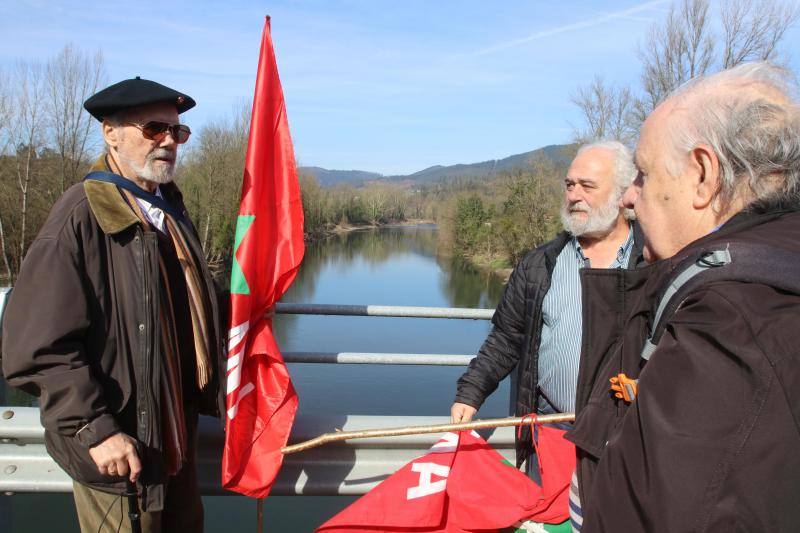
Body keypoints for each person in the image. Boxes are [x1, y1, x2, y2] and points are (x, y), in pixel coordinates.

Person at [569, 61, 800, 532]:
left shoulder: (733, 323)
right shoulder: (759, 277)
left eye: (644, 175)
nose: (630, 198)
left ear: (702, 175)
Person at [1, 77, 224, 532]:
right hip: (119, 455)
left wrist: (247, 305)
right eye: (153, 129)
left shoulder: (169, 212)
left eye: (177, 132)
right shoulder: (80, 217)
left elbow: (186, 306)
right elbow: (36, 348)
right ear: (111, 133)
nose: (168, 141)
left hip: (171, 440)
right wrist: (95, 430)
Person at [450, 141, 643, 471]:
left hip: (628, 435)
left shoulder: (652, 261)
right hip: (553, 430)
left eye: (587, 186)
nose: (573, 195)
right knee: (553, 522)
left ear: (624, 193)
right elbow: (506, 339)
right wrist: (470, 392)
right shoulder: (541, 264)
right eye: (569, 184)